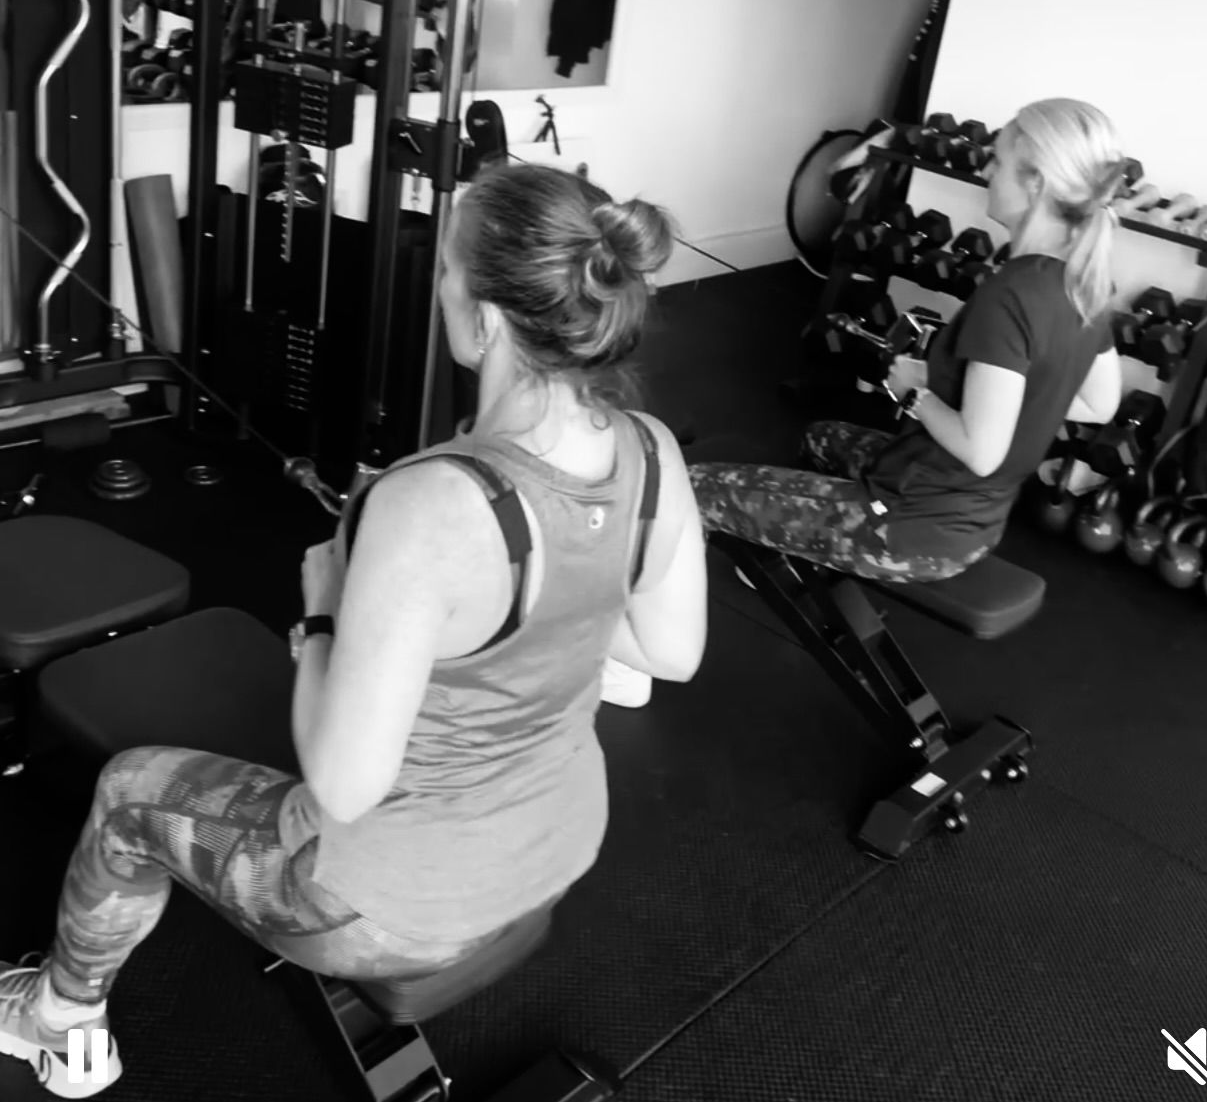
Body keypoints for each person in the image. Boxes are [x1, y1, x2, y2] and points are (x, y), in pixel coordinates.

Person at [0, 163, 708, 1098]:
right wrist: (537, 593)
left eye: (449, 269)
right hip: (560, 840)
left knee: (129, 792)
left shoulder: (423, 501)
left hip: (384, 902)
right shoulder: (649, 448)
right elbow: (671, 652)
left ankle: (59, 1021)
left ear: (486, 317)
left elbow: (342, 781)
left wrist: (328, 602)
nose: (441, 287)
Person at [603, 97, 1126, 708]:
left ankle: (631, 664)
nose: (987, 169)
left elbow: (982, 450)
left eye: (1001, 159)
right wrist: (1008, 394)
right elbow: (1099, 404)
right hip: (973, 516)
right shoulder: (1082, 278)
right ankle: (778, 551)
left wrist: (917, 389)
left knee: (691, 490)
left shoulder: (1011, 295)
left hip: (913, 528)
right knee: (822, 437)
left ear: (1035, 183)